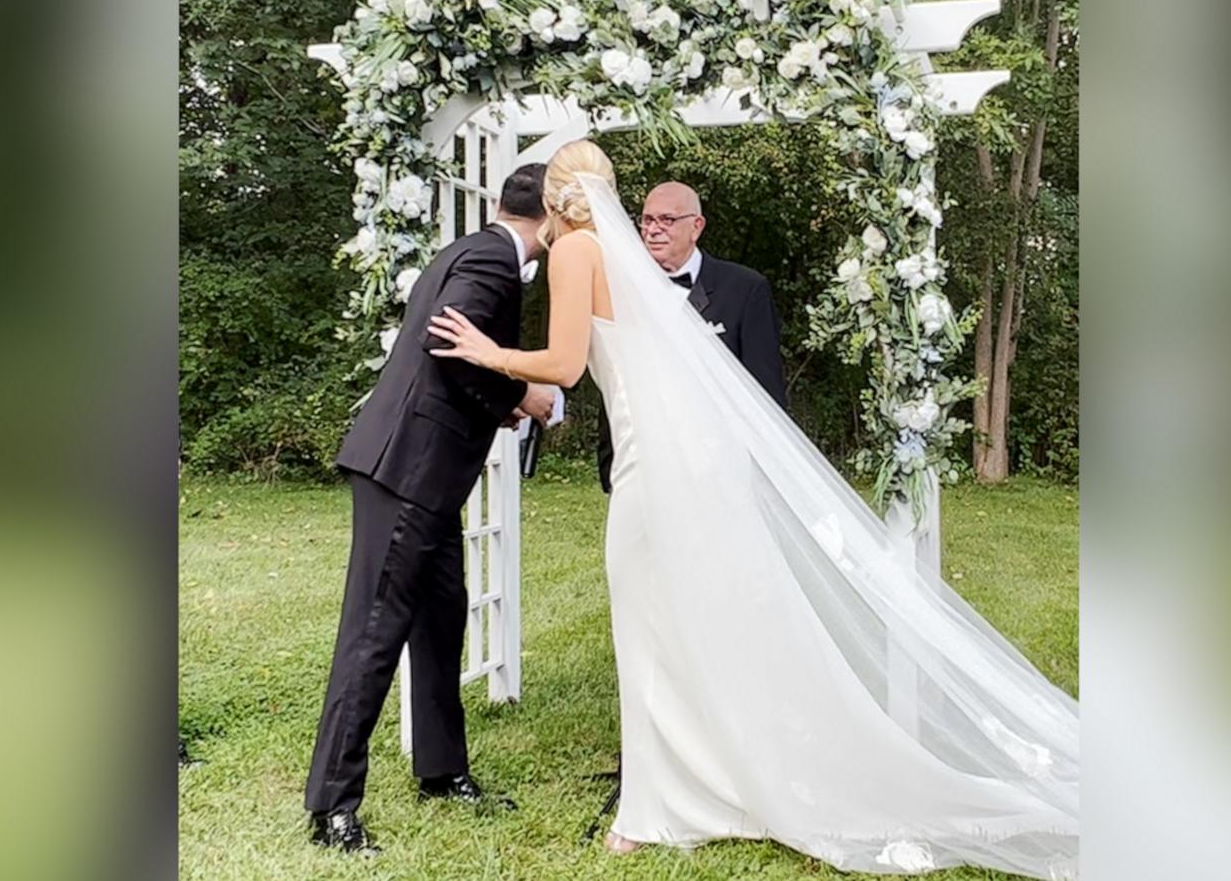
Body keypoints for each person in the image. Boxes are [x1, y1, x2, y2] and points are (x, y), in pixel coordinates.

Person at [425, 140, 1079, 879]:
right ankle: (705, 784)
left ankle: (654, 808)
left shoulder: (579, 253)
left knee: (647, 628)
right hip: (683, 457)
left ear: (554, 198)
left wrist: (489, 351)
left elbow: (567, 365)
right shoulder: (622, 258)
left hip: (653, 464)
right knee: (684, 624)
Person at [304, 164, 556, 856]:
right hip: (408, 469)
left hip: (429, 475)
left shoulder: (468, 248)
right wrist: (517, 397)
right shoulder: (491, 261)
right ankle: (332, 808)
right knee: (374, 631)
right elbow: (452, 347)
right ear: (552, 215)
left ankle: (442, 771)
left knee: (443, 616)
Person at [595, 181, 787, 493]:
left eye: (667, 220)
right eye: (647, 220)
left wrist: (762, 472)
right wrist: (610, 463)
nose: (653, 230)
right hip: (642, 466)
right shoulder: (620, 289)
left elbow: (765, 389)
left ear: (696, 227)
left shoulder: (744, 289)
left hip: (725, 471)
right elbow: (615, 378)